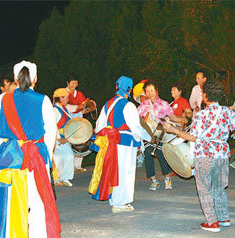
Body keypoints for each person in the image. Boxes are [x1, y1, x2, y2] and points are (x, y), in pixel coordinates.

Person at [0, 60, 62, 238]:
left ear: (16, 79)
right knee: (37, 203)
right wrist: (47, 157)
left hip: (10, 157)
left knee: (10, 203)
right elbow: (51, 132)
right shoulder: (42, 99)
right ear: (35, 78)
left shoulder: (3, 99)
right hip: (35, 157)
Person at [163, 78, 235, 232]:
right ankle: (224, 217)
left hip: (205, 154)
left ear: (206, 96)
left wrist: (174, 130)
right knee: (219, 187)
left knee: (204, 187)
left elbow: (193, 137)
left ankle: (212, 222)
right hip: (222, 154)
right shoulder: (227, 111)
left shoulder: (201, 115)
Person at [90, 76, 151, 213]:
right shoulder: (128, 105)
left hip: (110, 142)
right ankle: (120, 202)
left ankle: (115, 199)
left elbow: (99, 126)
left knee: (115, 170)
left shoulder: (107, 104)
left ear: (117, 86)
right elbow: (135, 127)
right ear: (129, 89)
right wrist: (147, 138)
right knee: (125, 172)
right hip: (125, 143)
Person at [138, 81, 184, 190]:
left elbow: (172, 117)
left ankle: (167, 178)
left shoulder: (164, 103)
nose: (150, 93)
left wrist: (181, 119)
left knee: (162, 154)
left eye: (152, 91)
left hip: (161, 134)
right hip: (148, 135)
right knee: (148, 155)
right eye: (147, 91)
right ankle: (153, 180)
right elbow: (136, 117)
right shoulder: (143, 105)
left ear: (156, 91)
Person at [52, 88, 85, 187]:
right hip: (57, 138)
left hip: (63, 137)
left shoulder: (63, 108)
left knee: (62, 157)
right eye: (66, 97)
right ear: (60, 98)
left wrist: (83, 112)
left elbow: (71, 117)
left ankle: (60, 178)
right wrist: (58, 138)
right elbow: (52, 125)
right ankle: (61, 178)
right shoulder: (55, 110)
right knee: (64, 156)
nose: (67, 100)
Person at [65, 73, 88, 173]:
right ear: (67, 83)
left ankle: (77, 166)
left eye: (75, 83)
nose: (74, 86)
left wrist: (85, 109)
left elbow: (82, 107)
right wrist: (78, 107)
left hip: (78, 120)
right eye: (72, 84)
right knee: (69, 143)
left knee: (80, 141)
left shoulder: (79, 94)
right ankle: (69, 167)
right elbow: (64, 107)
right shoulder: (63, 94)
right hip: (67, 121)